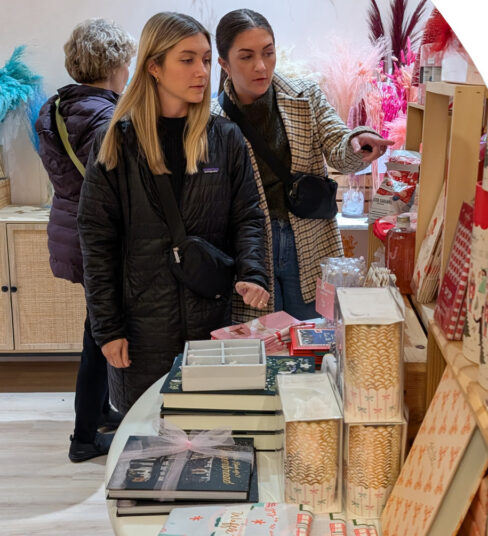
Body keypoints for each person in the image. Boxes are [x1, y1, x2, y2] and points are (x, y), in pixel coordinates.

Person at [78, 12, 270, 413]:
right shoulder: (116, 141)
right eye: (187, 60)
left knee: (211, 429)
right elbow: (97, 241)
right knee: (148, 434)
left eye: (204, 59)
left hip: (211, 322)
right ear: (154, 66)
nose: (201, 71)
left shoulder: (225, 138)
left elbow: (248, 216)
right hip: (141, 326)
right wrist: (107, 328)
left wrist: (253, 272)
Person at [213, 9, 393, 322]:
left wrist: (358, 141)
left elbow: (338, 145)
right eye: (246, 57)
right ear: (224, 64)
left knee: (315, 336)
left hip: (309, 239)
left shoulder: (304, 95)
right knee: (265, 345)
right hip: (252, 249)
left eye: (268, 53)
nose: (261, 66)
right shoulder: (213, 119)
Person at [34, 18, 135, 463]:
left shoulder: (55, 108)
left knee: (95, 325)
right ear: (115, 65)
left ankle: (100, 410)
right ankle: (83, 438)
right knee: (100, 334)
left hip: (69, 231)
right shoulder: (105, 119)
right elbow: (114, 190)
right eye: (127, 62)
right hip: (99, 240)